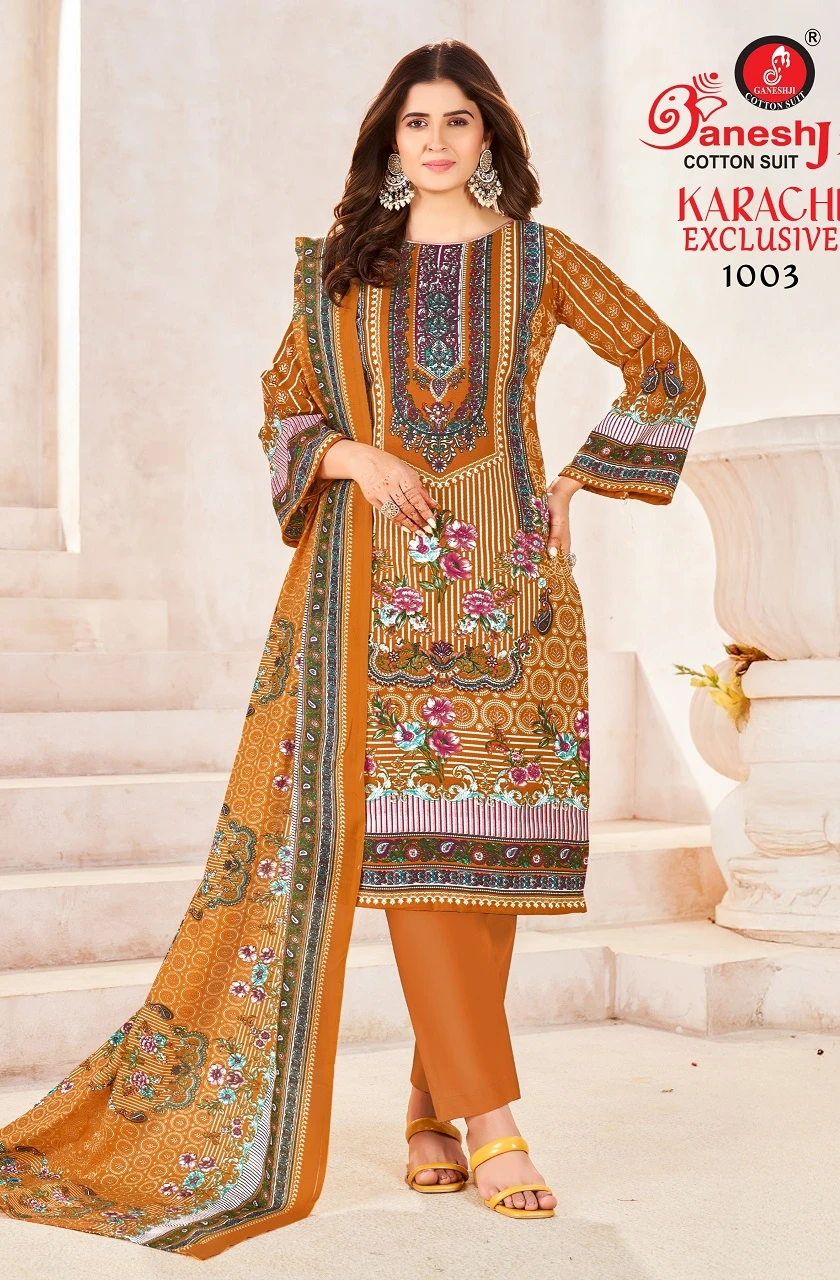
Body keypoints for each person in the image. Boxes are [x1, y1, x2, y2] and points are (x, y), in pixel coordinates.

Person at [0, 40, 705, 1256]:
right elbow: (283, 406)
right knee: (415, 843)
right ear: (388, 143)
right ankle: (494, 1120)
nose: (433, 141)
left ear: (489, 139)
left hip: (510, 584)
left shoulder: (540, 261)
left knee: (490, 856)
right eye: (413, 123)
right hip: (370, 592)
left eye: (456, 121)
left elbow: (665, 362)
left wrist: (576, 483)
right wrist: (349, 453)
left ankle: (432, 1101)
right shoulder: (342, 271)